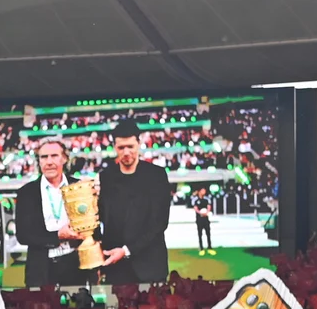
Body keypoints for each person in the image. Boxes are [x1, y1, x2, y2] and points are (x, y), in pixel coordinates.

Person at [96, 118, 173, 285]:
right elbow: (104, 218)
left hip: (150, 266)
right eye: (121, 147)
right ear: (114, 147)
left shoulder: (157, 175)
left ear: (139, 143)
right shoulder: (106, 176)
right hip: (115, 268)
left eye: (130, 146)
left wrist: (126, 251)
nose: (126, 152)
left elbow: (159, 223)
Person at [13, 138, 84, 287]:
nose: (49, 162)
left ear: (64, 158)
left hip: (74, 266)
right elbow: (23, 236)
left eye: (54, 156)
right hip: (40, 268)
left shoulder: (79, 187)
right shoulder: (26, 193)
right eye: (44, 157)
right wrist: (57, 236)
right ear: (39, 161)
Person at [192, 187, 214, 254]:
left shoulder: (207, 199)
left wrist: (206, 212)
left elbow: (209, 207)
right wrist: (200, 213)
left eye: (204, 190)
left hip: (206, 219)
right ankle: (201, 248)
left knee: (208, 233)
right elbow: (195, 208)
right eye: (202, 190)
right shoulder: (195, 200)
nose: (204, 192)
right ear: (199, 191)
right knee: (200, 234)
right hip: (199, 219)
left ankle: (209, 247)